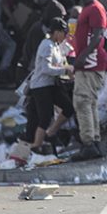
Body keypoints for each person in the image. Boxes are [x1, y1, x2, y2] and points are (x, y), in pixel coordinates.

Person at [71, 0, 107, 160]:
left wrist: (82, 57)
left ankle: (88, 144)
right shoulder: (88, 8)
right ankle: (93, 142)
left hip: (90, 64)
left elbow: (97, 35)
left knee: (82, 102)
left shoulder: (95, 8)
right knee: (89, 103)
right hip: (88, 63)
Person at [27, 17, 76, 155]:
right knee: (45, 117)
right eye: (63, 33)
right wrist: (65, 70)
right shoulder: (46, 45)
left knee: (68, 107)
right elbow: (45, 69)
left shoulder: (56, 46)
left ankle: (51, 132)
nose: (64, 37)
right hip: (41, 86)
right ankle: (36, 146)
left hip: (51, 84)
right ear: (56, 32)